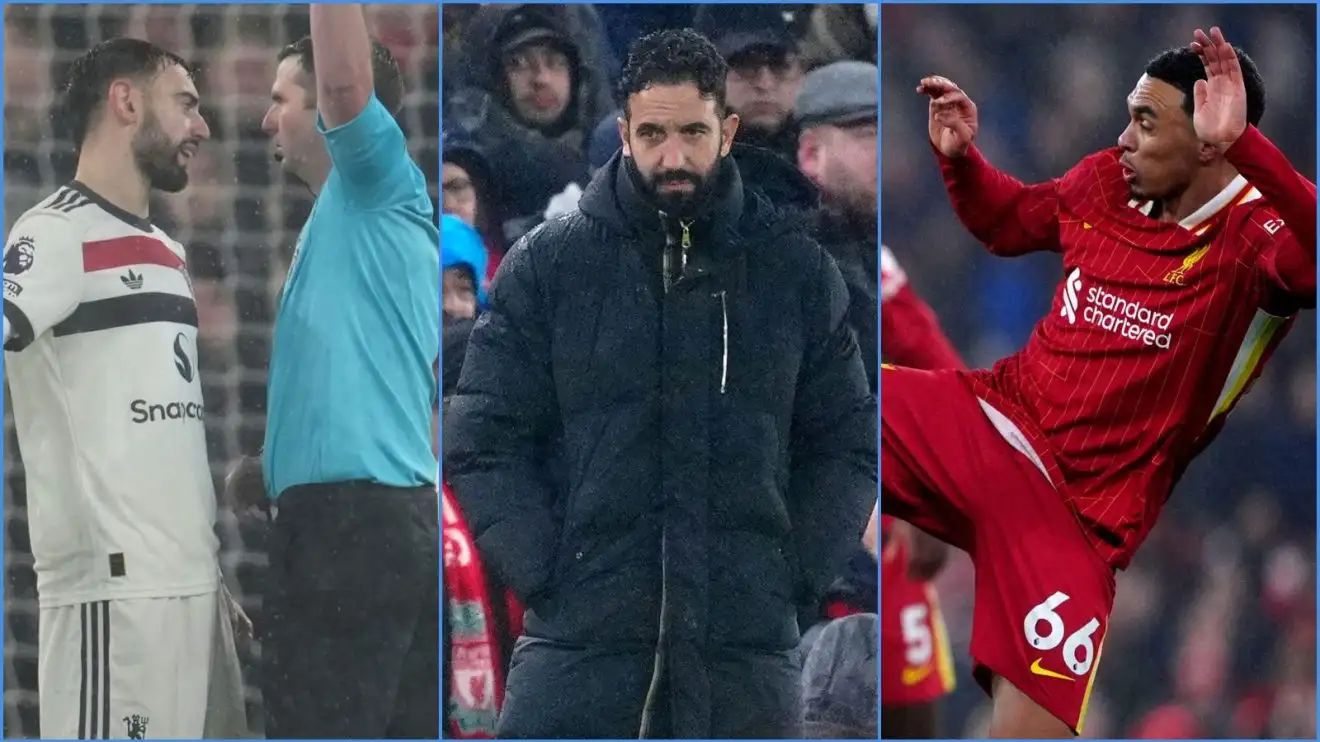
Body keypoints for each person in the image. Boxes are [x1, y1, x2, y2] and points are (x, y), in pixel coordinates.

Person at [444, 27, 877, 739]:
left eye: (691, 133)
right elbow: (485, 438)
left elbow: (845, 444)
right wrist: (550, 573)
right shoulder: (548, 270)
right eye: (652, 133)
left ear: (727, 130)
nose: (672, 157)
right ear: (623, 132)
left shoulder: (793, 275)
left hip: (744, 661)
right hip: (579, 657)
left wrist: (787, 579)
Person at [884, 29, 1315, 737]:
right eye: (1127, 114)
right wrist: (962, 162)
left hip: (1078, 521)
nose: (1122, 137)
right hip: (990, 423)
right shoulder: (1106, 183)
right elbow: (1009, 220)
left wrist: (1250, 148)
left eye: (1145, 122)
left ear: (1211, 142)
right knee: (823, 405)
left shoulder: (1258, 239)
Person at [2, 38, 248, 739]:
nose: (201, 127)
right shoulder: (53, 235)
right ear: (126, 102)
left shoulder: (169, 253)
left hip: (192, 592)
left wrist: (202, 572)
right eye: (186, 105)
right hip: (111, 600)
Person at [225, 5, 440, 737]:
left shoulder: (377, 181)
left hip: (350, 529)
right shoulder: (344, 220)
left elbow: (347, 86)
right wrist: (269, 467)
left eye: (280, 99)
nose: (265, 121)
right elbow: (374, 390)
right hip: (382, 520)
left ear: (331, 113)